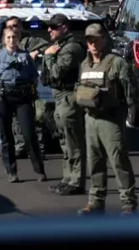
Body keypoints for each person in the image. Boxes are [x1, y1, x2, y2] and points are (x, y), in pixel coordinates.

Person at [76, 23, 139, 216]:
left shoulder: (116, 62)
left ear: (104, 39)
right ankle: (95, 202)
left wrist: (125, 112)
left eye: (96, 39)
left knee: (119, 161)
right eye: (89, 40)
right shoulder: (84, 65)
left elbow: (132, 93)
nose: (93, 43)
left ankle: (128, 203)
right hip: (90, 120)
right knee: (94, 162)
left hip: (111, 120)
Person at [0, 27, 47, 182]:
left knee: (29, 134)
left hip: (22, 98)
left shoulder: (25, 56)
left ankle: (39, 170)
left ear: (18, 38)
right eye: (8, 38)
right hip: (4, 98)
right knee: (6, 137)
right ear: (4, 40)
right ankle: (11, 171)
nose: (11, 40)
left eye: (14, 37)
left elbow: (34, 77)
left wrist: (27, 90)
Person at [41, 14, 87, 196]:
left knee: (73, 141)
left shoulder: (71, 48)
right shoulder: (59, 47)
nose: (49, 30)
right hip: (59, 97)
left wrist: (48, 57)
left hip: (69, 97)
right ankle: (68, 178)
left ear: (64, 28)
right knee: (64, 141)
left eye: (54, 26)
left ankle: (76, 181)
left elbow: (58, 73)